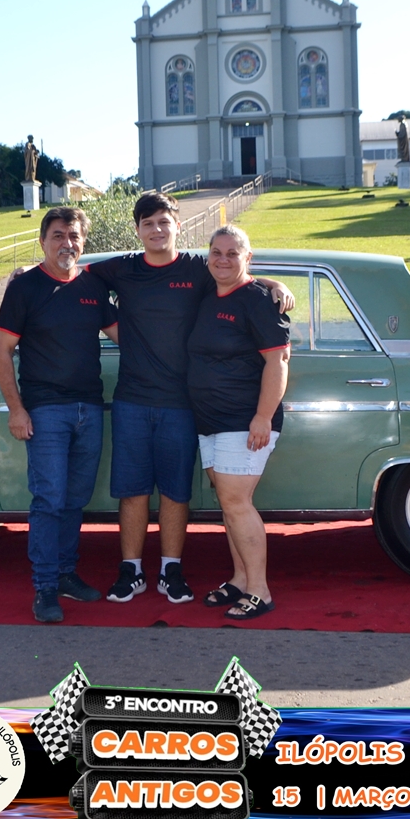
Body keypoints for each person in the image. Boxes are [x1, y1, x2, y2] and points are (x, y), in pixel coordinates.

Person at [86, 193, 293, 606]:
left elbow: (238, 276)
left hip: (185, 405)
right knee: (133, 490)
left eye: (164, 221)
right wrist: (28, 272)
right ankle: (132, 571)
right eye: (148, 223)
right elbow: (72, 272)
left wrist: (275, 283)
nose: (157, 229)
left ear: (178, 226)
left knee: (180, 492)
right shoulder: (123, 268)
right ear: (137, 229)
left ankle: (173, 570)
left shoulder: (199, 268)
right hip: (136, 399)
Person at [0, 207, 119, 624]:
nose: (67, 243)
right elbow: (3, 351)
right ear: (43, 241)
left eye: (74, 236)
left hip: (90, 408)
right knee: (48, 499)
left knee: (75, 499)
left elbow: (127, 334)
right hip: (45, 411)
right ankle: (45, 588)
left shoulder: (93, 287)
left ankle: (65, 574)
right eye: (59, 235)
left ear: (84, 242)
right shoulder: (25, 287)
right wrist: (17, 410)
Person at [187, 225, 290, 620]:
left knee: (236, 502)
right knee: (228, 503)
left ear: (248, 257)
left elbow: (278, 361)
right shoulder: (209, 293)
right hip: (210, 419)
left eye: (233, 253)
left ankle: (260, 591)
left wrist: (262, 417)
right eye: (217, 252)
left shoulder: (257, 300)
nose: (223, 259)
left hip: (244, 420)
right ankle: (240, 579)